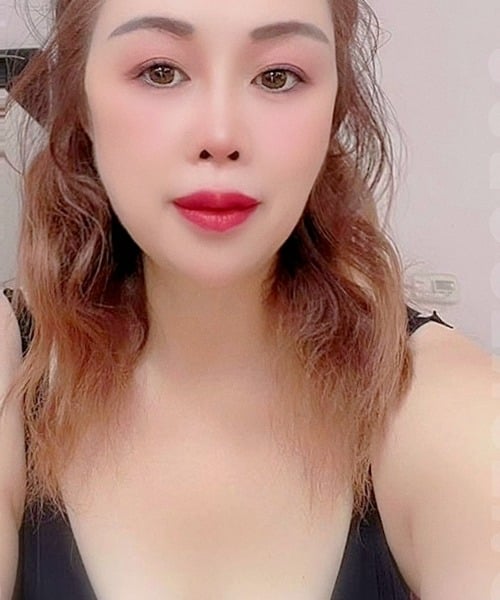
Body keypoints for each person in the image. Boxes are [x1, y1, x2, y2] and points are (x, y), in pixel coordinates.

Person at [0, 0, 497, 598]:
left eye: (277, 76)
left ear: (333, 112)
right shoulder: (14, 367)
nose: (221, 137)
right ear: (81, 103)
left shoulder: (439, 401)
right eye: (161, 71)